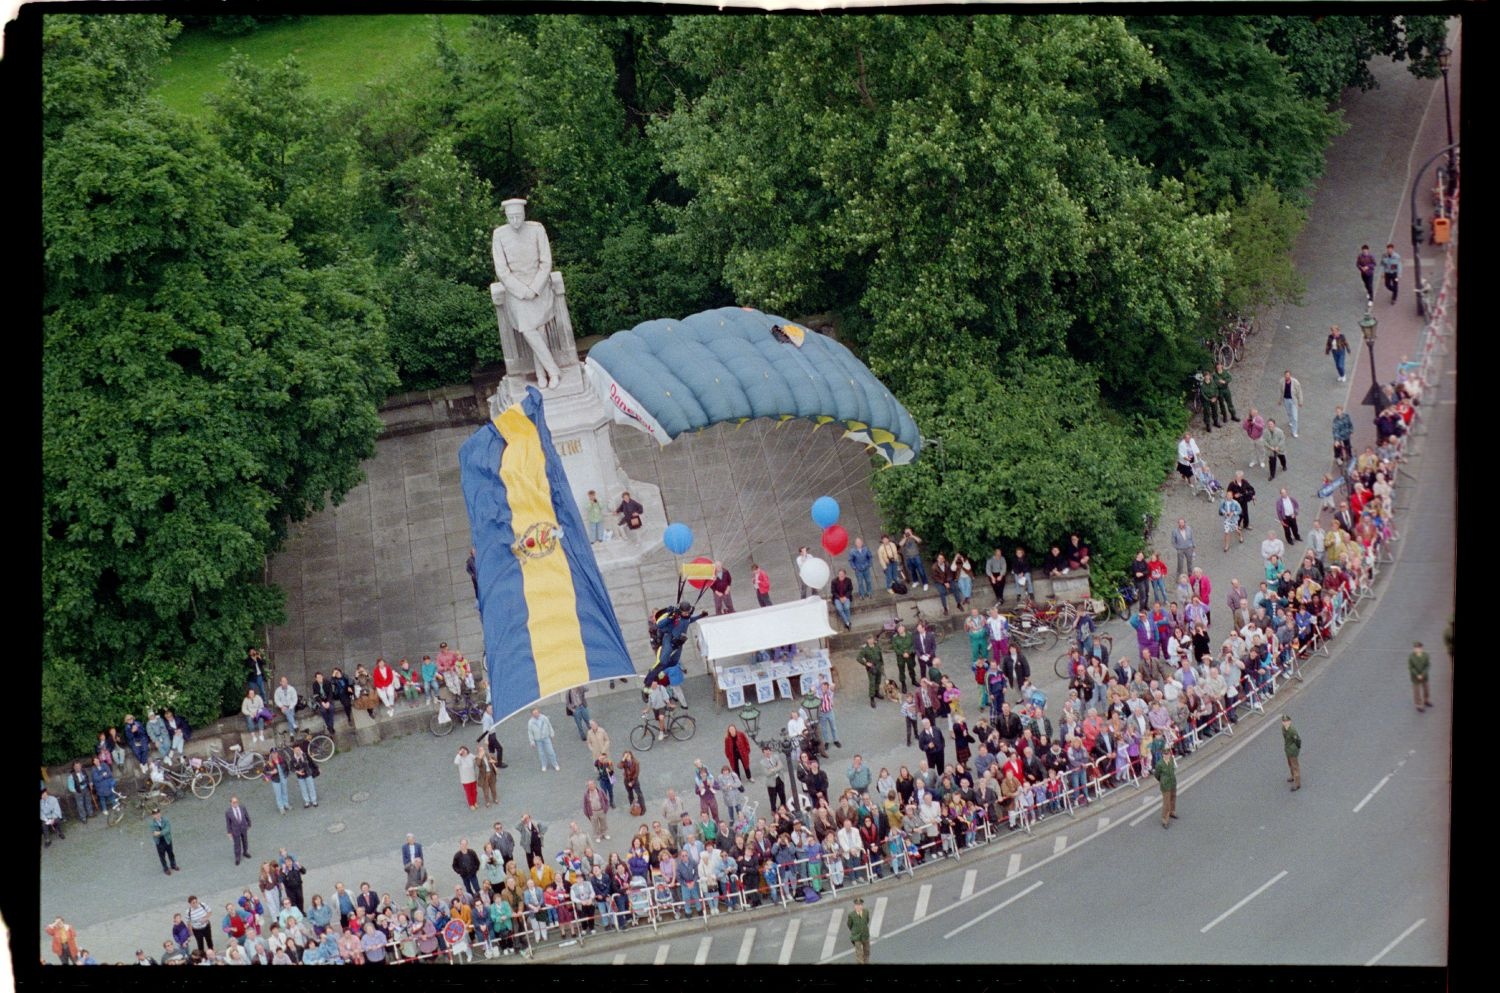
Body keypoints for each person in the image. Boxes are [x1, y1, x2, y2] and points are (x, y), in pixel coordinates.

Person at [491, 197, 563, 388]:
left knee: (539, 329)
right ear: (506, 217)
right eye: (511, 217)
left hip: (539, 288)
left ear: (523, 214)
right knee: (528, 328)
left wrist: (535, 287)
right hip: (517, 292)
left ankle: (542, 375)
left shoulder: (537, 229)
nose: (515, 221)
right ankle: (553, 370)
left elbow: (546, 261)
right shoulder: (499, 235)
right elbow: (502, 269)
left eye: (518, 216)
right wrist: (522, 291)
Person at [857, 634, 885, 709]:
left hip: (878, 666)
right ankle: (872, 698)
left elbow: (880, 655)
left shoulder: (877, 646)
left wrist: (882, 665)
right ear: (867, 640)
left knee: (878, 680)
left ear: (873, 639)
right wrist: (866, 663)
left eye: (871, 639)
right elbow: (858, 658)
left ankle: (876, 693)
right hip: (871, 668)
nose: (870, 640)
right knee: (872, 682)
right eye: (869, 639)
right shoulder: (865, 649)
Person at [148, 807, 178, 874]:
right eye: (155, 814)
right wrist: (162, 832)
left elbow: (168, 829)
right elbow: (154, 834)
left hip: (167, 840)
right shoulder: (152, 824)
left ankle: (173, 865)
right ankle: (165, 868)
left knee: (171, 853)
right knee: (162, 856)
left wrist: (159, 832)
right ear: (153, 816)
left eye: (158, 813)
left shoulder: (166, 820)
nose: (157, 815)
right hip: (159, 842)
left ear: (160, 813)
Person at [290, 743, 320, 809]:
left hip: (308, 773)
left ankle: (314, 800)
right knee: (303, 789)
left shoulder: (305, 755)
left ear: (300, 749)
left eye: (298, 749)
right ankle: (307, 801)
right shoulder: (293, 759)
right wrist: (297, 772)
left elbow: (311, 762)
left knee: (311, 787)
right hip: (300, 776)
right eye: (296, 750)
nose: (297, 751)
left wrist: (317, 768)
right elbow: (291, 768)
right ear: (294, 751)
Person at [1153, 748, 1177, 828]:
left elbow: (1173, 770)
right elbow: (1157, 775)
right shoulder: (1159, 764)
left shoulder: (1171, 760)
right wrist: (1162, 780)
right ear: (1163, 755)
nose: (1167, 756)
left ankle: (1172, 812)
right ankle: (1165, 820)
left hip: (1172, 782)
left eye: (1168, 754)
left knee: (1173, 798)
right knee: (1166, 803)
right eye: (1165, 754)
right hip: (1165, 785)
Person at [225, 796, 252, 866]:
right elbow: (228, 823)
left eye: (236, 802)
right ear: (231, 803)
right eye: (234, 802)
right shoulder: (228, 812)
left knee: (245, 840)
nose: (235, 803)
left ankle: (245, 852)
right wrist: (229, 832)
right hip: (235, 830)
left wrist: (249, 823)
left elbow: (246, 816)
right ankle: (237, 857)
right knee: (237, 844)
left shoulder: (242, 807)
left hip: (243, 827)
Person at [1409, 641, 1432, 712]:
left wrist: (1423, 674)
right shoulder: (1411, 657)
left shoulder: (1426, 656)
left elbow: (1428, 666)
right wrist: (1417, 675)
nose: (1417, 649)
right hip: (1415, 677)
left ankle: (1426, 700)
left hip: (1424, 676)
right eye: (1415, 648)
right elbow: (1411, 667)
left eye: (1418, 648)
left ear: (1422, 648)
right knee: (1417, 691)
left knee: (1426, 689)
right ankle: (1419, 705)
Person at [847, 896, 872, 964]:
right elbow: (849, 925)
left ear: (862, 906)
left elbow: (867, 921)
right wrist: (855, 931)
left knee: (867, 951)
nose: (858, 907)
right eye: (857, 905)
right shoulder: (851, 915)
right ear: (854, 906)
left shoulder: (866, 912)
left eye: (860, 905)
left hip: (865, 935)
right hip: (856, 936)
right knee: (859, 954)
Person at [1279, 371, 1303, 439]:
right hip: (1286, 400)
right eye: (1285, 376)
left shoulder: (1295, 382)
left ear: (1290, 376)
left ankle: (1294, 431)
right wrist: (1280, 400)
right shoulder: (1282, 382)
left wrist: (1300, 401)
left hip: (1293, 401)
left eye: (1288, 376)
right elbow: (1281, 391)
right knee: (1289, 412)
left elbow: (1299, 392)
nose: (1287, 377)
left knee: (1295, 417)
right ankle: (1290, 420)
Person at [455, 746, 479, 810]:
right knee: (468, 792)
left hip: (472, 778)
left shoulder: (470, 755)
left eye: (464, 750)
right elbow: (456, 762)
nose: (464, 752)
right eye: (462, 751)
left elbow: (476, 757)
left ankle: (475, 802)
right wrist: (459, 754)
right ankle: (471, 804)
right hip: (465, 780)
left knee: (474, 791)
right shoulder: (460, 759)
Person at [1281, 715, 1302, 791]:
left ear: (1290, 721)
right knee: (1290, 764)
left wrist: (1296, 748)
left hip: (1292, 750)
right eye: (1284, 721)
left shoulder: (1292, 730)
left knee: (1295, 767)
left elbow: (1298, 740)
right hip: (1287, 749)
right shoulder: (1283, 728)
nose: (1285, 723)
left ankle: (1297, 784)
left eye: (1286, 721)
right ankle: (1293, 776)